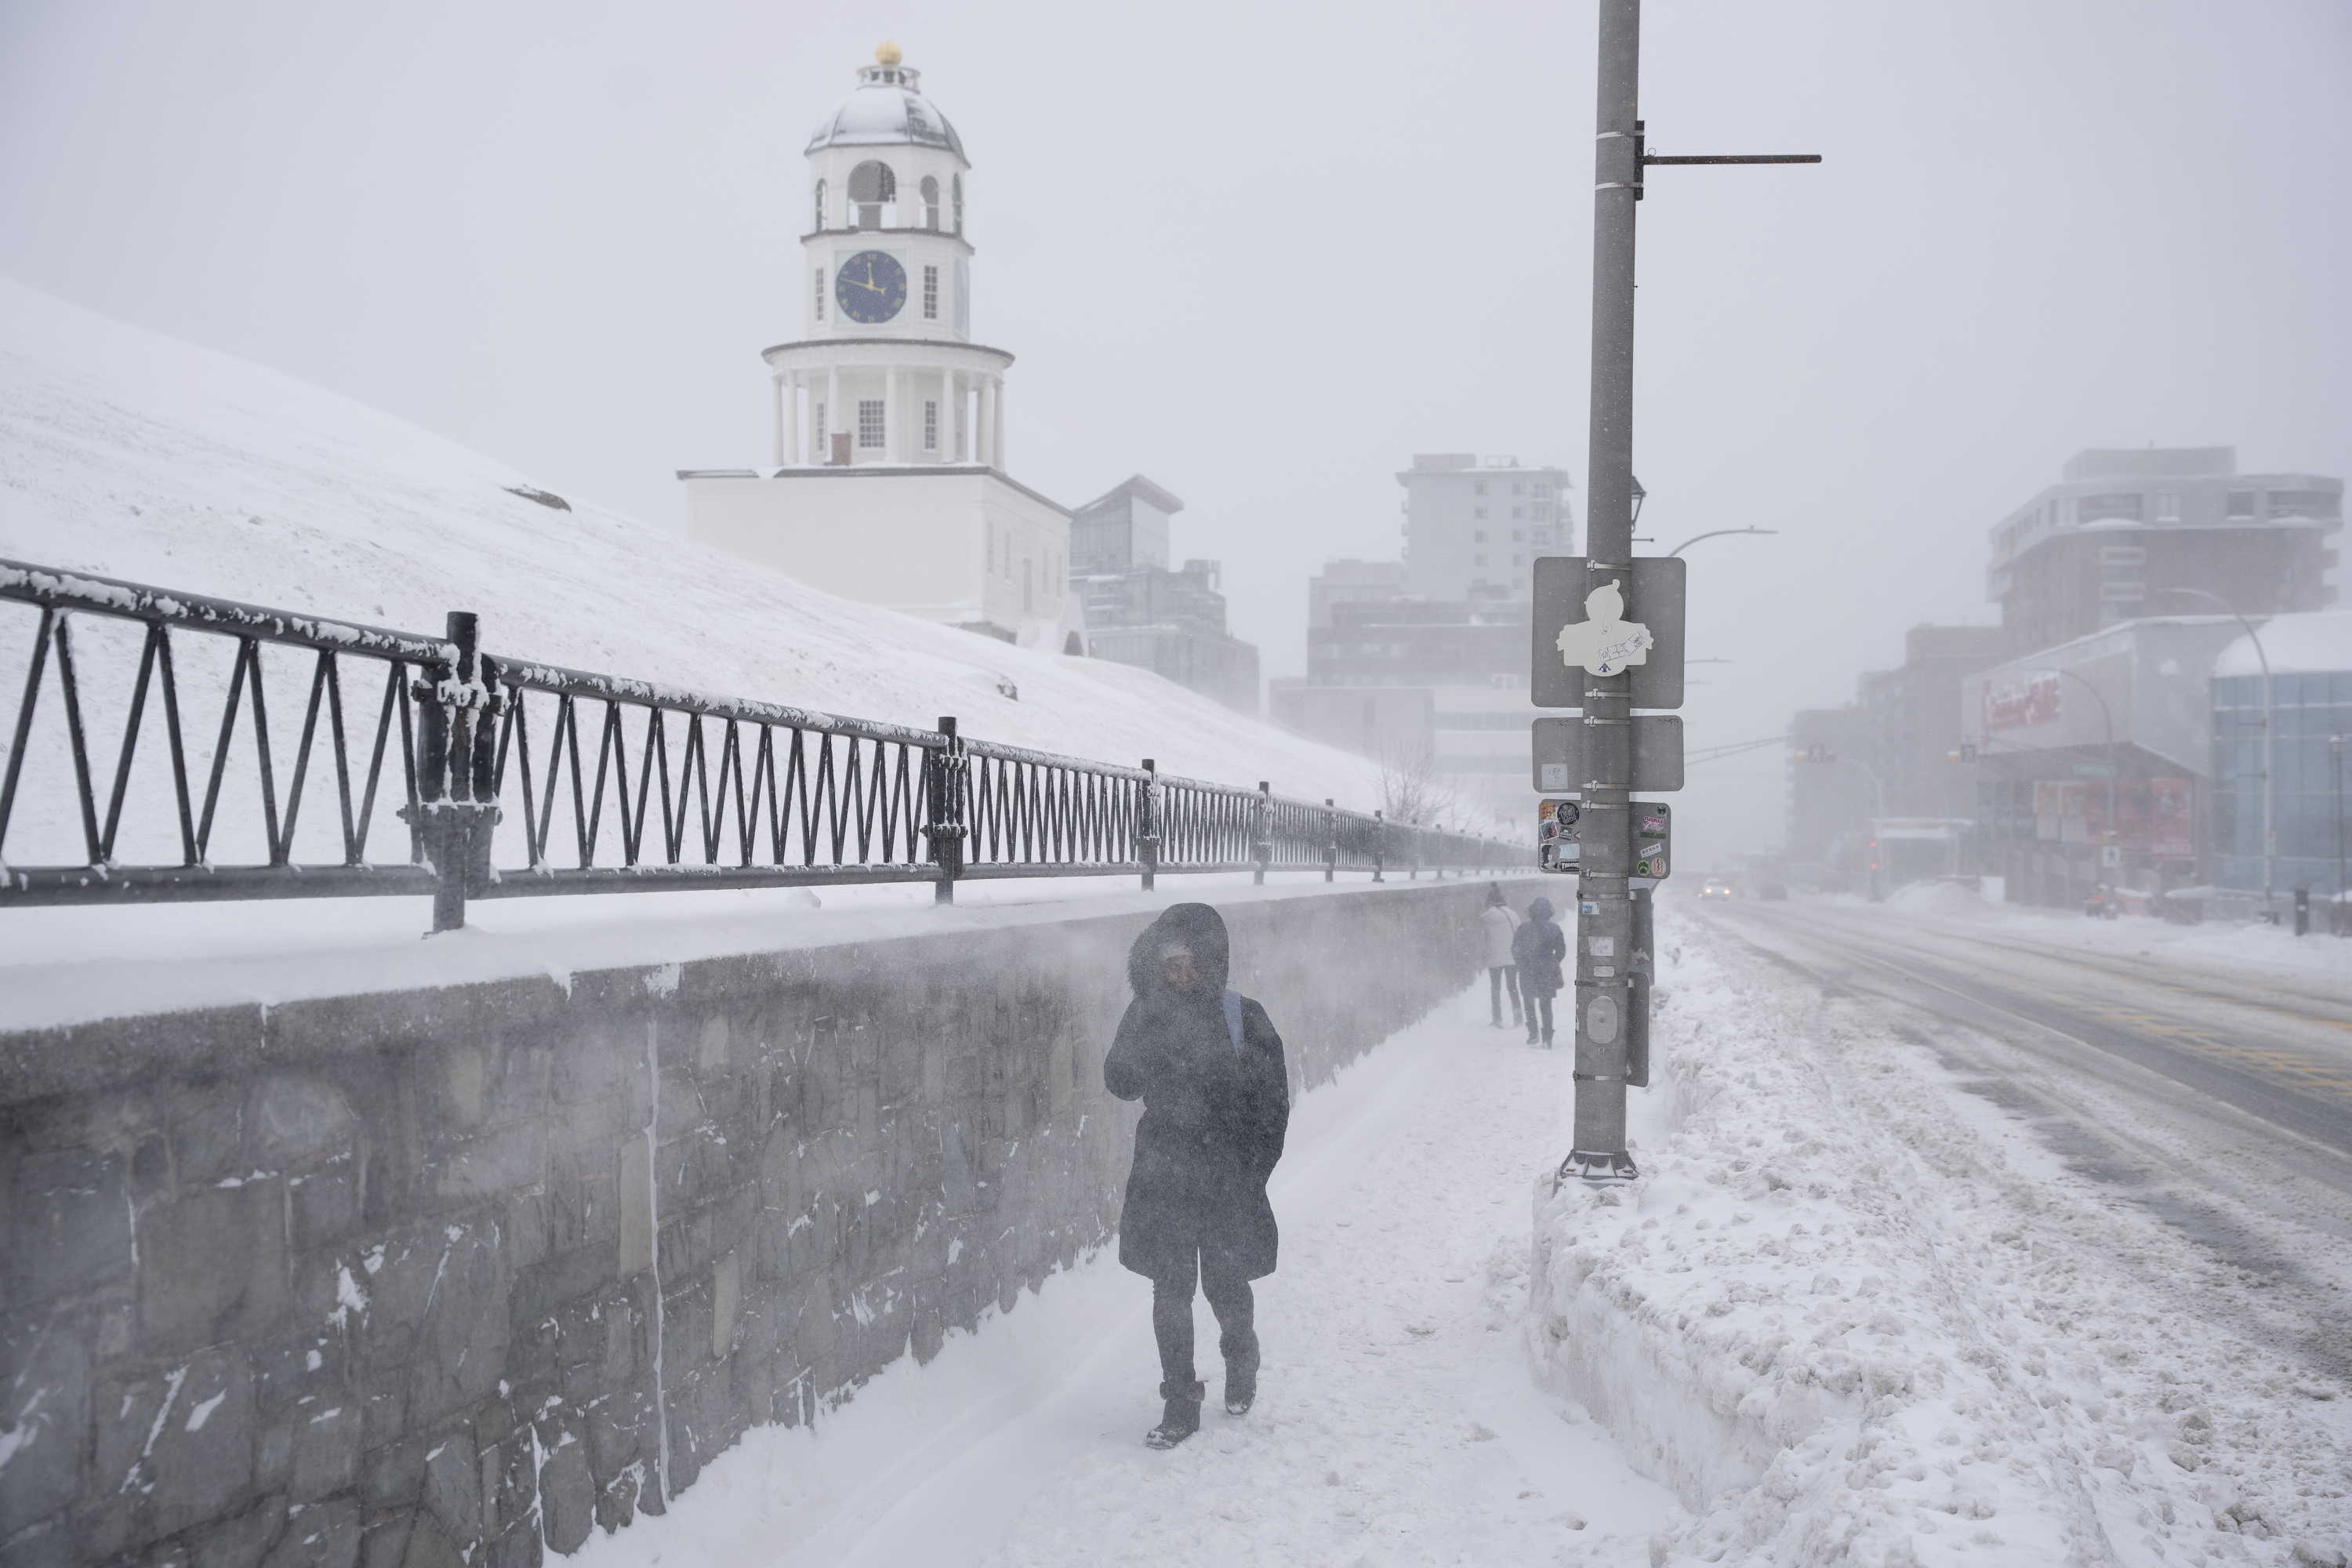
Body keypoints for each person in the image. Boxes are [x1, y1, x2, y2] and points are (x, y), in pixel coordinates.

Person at [1104, 903, 1291, 1450]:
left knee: (1225, 1283)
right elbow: (1118, 1082)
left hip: (1228, 1174)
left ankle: (1241, 1357)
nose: (1179, 975)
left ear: (1210, 963)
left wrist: (1254, 1171)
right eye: (1169, 966)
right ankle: (1180, 1401)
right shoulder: (1144, 1014)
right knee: (1171, 1288)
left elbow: (1274, 1103)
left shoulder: (1243, 1016)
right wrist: (1141, 1040)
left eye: (1188, 965)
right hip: (1165, 1173)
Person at [1512, 895, 1568, 1047]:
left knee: (1529, 1002)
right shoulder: (1555, 928)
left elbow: (1515, 949)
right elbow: (1561, 950)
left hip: (1527, 970)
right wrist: (1553, 962)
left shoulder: (1523, 928)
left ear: (1531, 911)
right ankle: (1548, 1039)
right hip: (1547, 972)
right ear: (1549, 911)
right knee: (1546, 1005)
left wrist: (1522, 964)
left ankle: (1533, 1034)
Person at [1479, 884, 1523, 1029]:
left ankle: (1497, 1019)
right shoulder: (1513, 915)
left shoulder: (1485, 918)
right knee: (1512, 988)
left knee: (1495, 988)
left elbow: (1484, 939)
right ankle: (1518, 1018)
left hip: (1494, 958)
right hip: (1511, 957)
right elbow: (1519, 935)